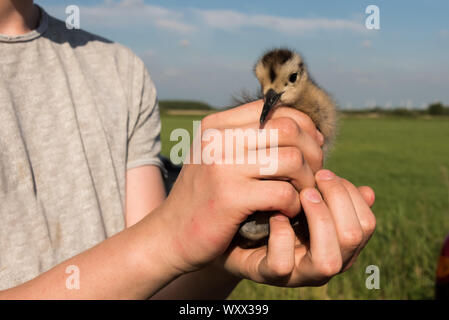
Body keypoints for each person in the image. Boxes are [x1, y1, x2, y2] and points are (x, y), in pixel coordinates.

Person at [0, 0, 376, 299]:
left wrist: (219, 258)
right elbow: (161, 244)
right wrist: (171, 237)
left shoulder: (119, 70)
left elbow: (155, 278)